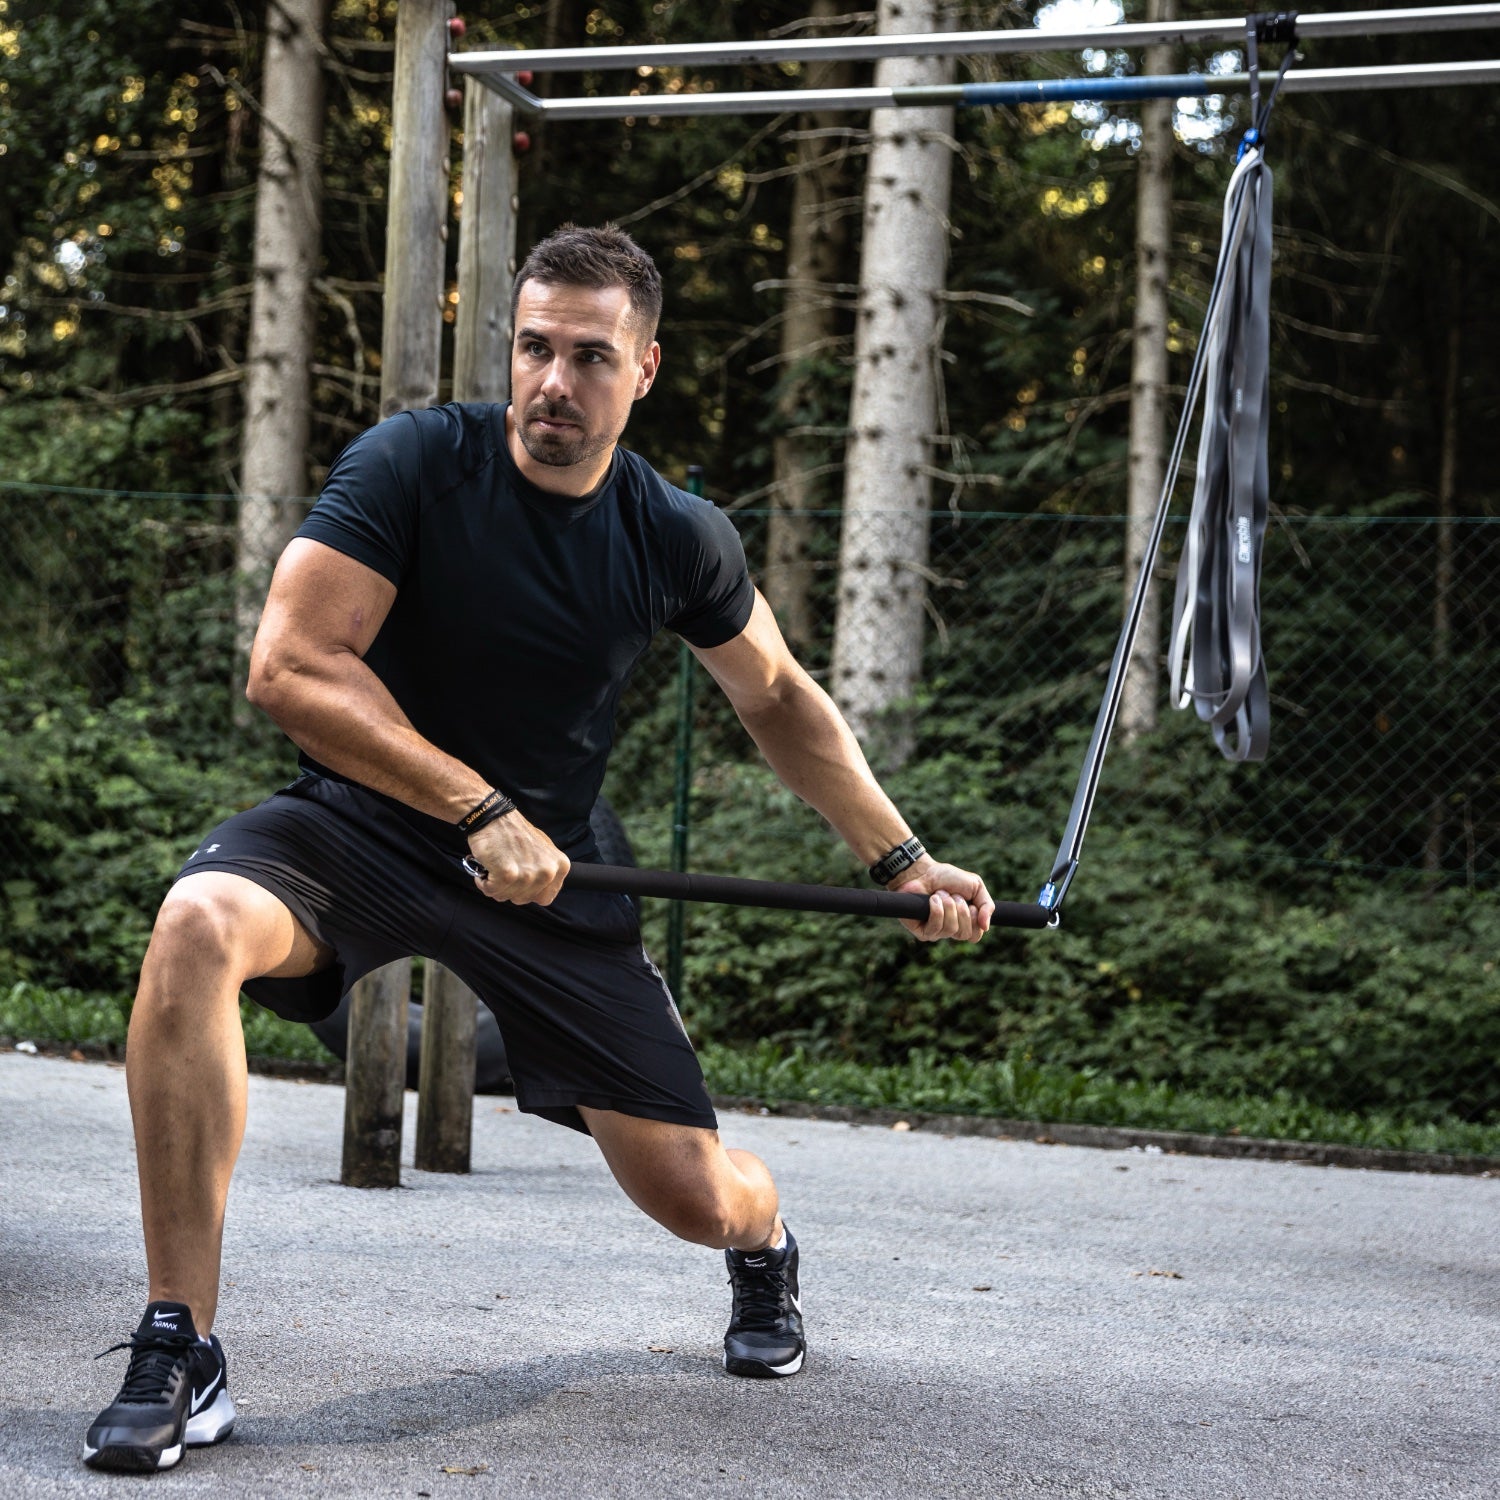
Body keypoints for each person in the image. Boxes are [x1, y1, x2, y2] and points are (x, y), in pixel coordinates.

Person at [82, 223, 994, 1473]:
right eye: (532, 348)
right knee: (195, 925)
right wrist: (471, 805)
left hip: (555, 871)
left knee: (693, 1195)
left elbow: (777, 696)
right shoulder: (415, 464)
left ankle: (765, 1246)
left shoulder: (674, 534)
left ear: (647, 368)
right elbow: (291, 665)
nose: (553, 381)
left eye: (589, 356)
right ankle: (179, 1339)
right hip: (362, 825)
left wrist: (904, 863)